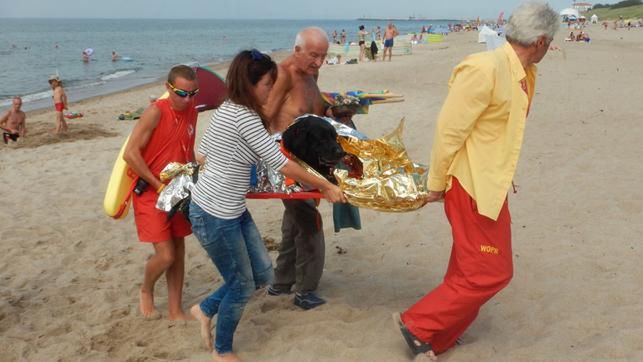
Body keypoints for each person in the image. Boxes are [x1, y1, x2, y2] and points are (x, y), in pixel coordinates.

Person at [393, 2, 559, 360]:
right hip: (470, 186)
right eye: (552, 42)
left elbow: (500, 132)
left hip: (493, 185)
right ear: (541, 40)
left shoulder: (524, 73)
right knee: (492, 272)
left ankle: (439, 337)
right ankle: (418, 323)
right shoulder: (485, 68)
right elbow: (449, 131)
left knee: (467, 268)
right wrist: (435, 183)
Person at [188, 49, 346, 362]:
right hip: (213, 215)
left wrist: (232, 167)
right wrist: (326, 185)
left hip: (233, 210)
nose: (271, 90)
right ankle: (223, 350)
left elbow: (202, 153)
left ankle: (204, 309)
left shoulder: (230, 108)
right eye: (266, 85)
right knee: (242, 285)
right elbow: (280, 163)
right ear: (248, 84)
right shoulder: (243, 117)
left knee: (263, 275)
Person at [262, 27, 332, 310]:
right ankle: (306, 290)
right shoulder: (282, 74)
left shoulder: (312, 73)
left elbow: (313, 109)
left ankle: (281, 282)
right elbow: (264, 119)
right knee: (308, 222)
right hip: (286, 162)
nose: (318, 62)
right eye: (313, 55)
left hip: (310, 159)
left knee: (294, 220)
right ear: (297, 50)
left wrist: (332, 111)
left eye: (324, 56)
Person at [122, 65, 199, 321]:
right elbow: (130, 153)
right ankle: (146, 289)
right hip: (151, 191)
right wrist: (157, 184)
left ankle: (175, 310)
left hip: (178, 190)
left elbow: (186, 150)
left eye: (192, 93)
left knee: (178, 249)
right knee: (165, 255)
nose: (187, 99)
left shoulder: (192, 112)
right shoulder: (155, 112)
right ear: (168, 88)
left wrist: (193, 180)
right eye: (181, 93)